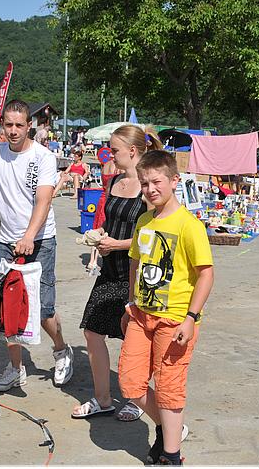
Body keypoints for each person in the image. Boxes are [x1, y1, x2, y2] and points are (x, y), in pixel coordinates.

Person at [0, 99, 73, 392]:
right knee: (7, 309)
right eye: (8, 124)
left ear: (29, 126)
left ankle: (61, 350)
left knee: (43, 309)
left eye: (19, 125)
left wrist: (30, 235)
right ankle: (15, 368)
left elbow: (43, 200)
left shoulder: (43, 156)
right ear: (2, 125)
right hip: (7, 242)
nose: (13, 130)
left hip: (40, 240)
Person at [118, 150, 213, 466]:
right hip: (141, 316)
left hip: (175, 320)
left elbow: (206, 274)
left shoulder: (189, 225)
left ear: (174, 180)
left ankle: (171, 455)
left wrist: (191, 318)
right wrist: (130, 303)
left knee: (169, 387)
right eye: (144, 183)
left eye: (156, 182)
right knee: (130, 383)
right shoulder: (144, 221)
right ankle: (165, 427)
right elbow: (135, 263)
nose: (150, 189)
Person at [72, 125, 163, 423]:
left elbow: (153, 235)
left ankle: (137, 399)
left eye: (114, 150)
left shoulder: (148, 188)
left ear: (132, 151)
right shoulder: (113, 181)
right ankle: (103, 399)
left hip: (136, 274)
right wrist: (99, 237)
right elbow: (110, 222)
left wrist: (118, 244)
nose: (110, 155)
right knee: (92, 331)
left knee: (135, 340)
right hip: (110, 271)